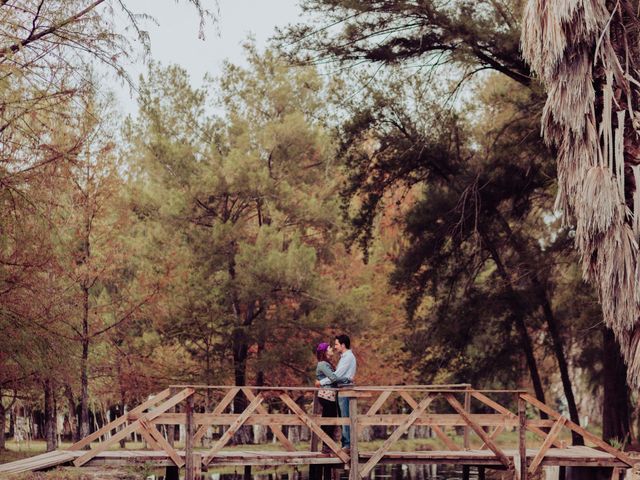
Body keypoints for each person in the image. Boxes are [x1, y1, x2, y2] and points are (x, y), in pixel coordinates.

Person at [315, 334, 356, 452]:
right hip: (334, 393)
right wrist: (348, 378)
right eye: (331, 347)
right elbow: (336, 377)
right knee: (337, 418)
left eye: (336, 344)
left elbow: (335, 377)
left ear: (343, 345)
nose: (334, 347)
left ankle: (346, 445)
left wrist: (321, 382)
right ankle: (333, 445)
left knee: (343, 417)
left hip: (343, 390)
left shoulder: (347, 357)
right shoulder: (340, 359)